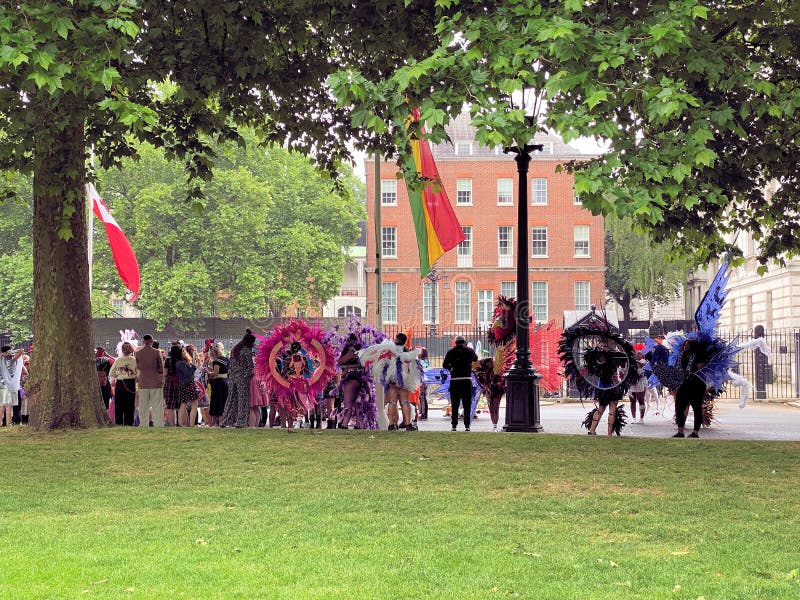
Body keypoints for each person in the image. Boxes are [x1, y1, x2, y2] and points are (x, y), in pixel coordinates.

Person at [673, 339, 709, 438]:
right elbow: (676, 367)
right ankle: (680, 432)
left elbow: (701, 369)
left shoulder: (698, 355)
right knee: (679, 407)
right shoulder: (681, 355)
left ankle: (695, 432)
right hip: (683, 384)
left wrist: (687, 372)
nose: (686, 346)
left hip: (696, 385)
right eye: (685, 344)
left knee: (696, 408)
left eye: (688, 344)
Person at [442, 336, 478, 432]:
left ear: (455, 343)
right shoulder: (469, 351)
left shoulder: (451, 351)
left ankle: (454, 425)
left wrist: (451, 367)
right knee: (467, 404)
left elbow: (444, 365)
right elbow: (475, 358)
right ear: (464, 342)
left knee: (455, 404)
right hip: (466, 380)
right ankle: (467, 425)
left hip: (455, 380)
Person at [220, 330, 256, 428]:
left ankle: (225, 421)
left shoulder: (234, 349)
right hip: (242, 378)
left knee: (230, 400)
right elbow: (250, 367)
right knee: (242, 400)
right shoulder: (246, 351)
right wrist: (251, 373)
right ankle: (241, 422)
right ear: (250, 342)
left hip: (232, 377)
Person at [135, 334, 165, 427]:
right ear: (152, 341)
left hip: (143, 382)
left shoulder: (138, 353)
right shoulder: (156, 352)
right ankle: (158, 424)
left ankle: (143, 424)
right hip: (155, 381)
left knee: (143, 405)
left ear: (143, 341)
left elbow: (138, 366)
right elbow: (161, 368)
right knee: (157, 405)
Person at [110, 341, 137, 425]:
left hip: (120, 383)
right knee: (129, 404)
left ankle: (119, 422)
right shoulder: (134, 360)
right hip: (130, 383)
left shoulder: (118, 360)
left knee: (119, 404)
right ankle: (129, 422)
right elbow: (138, 372)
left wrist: (119, 375)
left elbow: (111, 373)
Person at [206, 342, 229, 427]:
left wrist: (208, 372)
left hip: (218, 383)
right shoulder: (226, 360)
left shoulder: (217, 361)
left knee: (217, 402)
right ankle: (224, 420)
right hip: (226, 382)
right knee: (224, 401)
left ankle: (217, 422)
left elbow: (215, 373)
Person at [0, 346, 24, 426]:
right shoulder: (11, 360)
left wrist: (4, 354)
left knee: (1, 406)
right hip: (9, 386)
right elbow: (21, 351)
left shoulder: (1, 360)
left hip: (1, 385)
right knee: (8, 407)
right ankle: (8, 424)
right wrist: (11, 352)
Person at [629, 351, 648, 423]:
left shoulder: (643, 361)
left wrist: (635, 361)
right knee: (632, 401)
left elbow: (642, 365)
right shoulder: (631, 362)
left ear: (642, 355)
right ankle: (633, 418)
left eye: (639, 354)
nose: (637, 354)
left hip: (640, 382)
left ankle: (641, 418)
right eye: (637, 353)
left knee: (641, 400)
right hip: (632, 382)